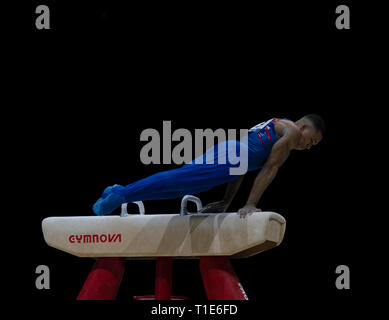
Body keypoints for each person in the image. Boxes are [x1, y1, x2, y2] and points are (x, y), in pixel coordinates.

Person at [93, 114, 325, 218]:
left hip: (231, 152)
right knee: (178, 180)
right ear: (303, 127)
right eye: (312, 140)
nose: (308, 147)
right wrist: (250, 204)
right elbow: (270, 169)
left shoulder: (279, 125)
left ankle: (117, 191)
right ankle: (120, 194)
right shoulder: (292, 132)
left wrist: (225, 203)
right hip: (234, 153)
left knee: (179, 184)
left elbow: (241, 166)